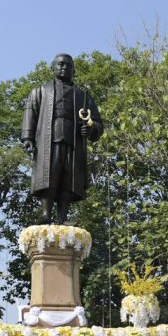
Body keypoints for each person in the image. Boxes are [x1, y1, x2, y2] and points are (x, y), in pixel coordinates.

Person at [21, 53, 103, 225]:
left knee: (68, 179)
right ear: (53, 68)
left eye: (68, 65)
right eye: (60, 64)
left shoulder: (83, 96)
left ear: (74, 70)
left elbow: (97, 123)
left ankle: (63, 218)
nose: (64, 67)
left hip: (73, 142)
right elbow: (30, 113)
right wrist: (27, 137)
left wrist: (91, 129)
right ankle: (46, 214)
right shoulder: (40, 92)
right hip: (48, 141)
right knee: (49, 176)